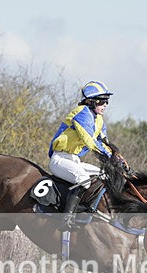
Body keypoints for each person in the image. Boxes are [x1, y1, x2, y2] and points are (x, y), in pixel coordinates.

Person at [48, 80, 117, 228]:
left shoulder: (99, 119)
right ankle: (66, 219)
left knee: (104, 176)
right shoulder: (82, 113)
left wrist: (117, 158)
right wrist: (108, 156)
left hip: (74, 160)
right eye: (102, 101)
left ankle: (85, 208)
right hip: (60, 159)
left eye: (107, 101)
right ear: (91, 101)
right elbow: (90, 141)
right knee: (83, 179)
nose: (105, 105)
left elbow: (104, 142)